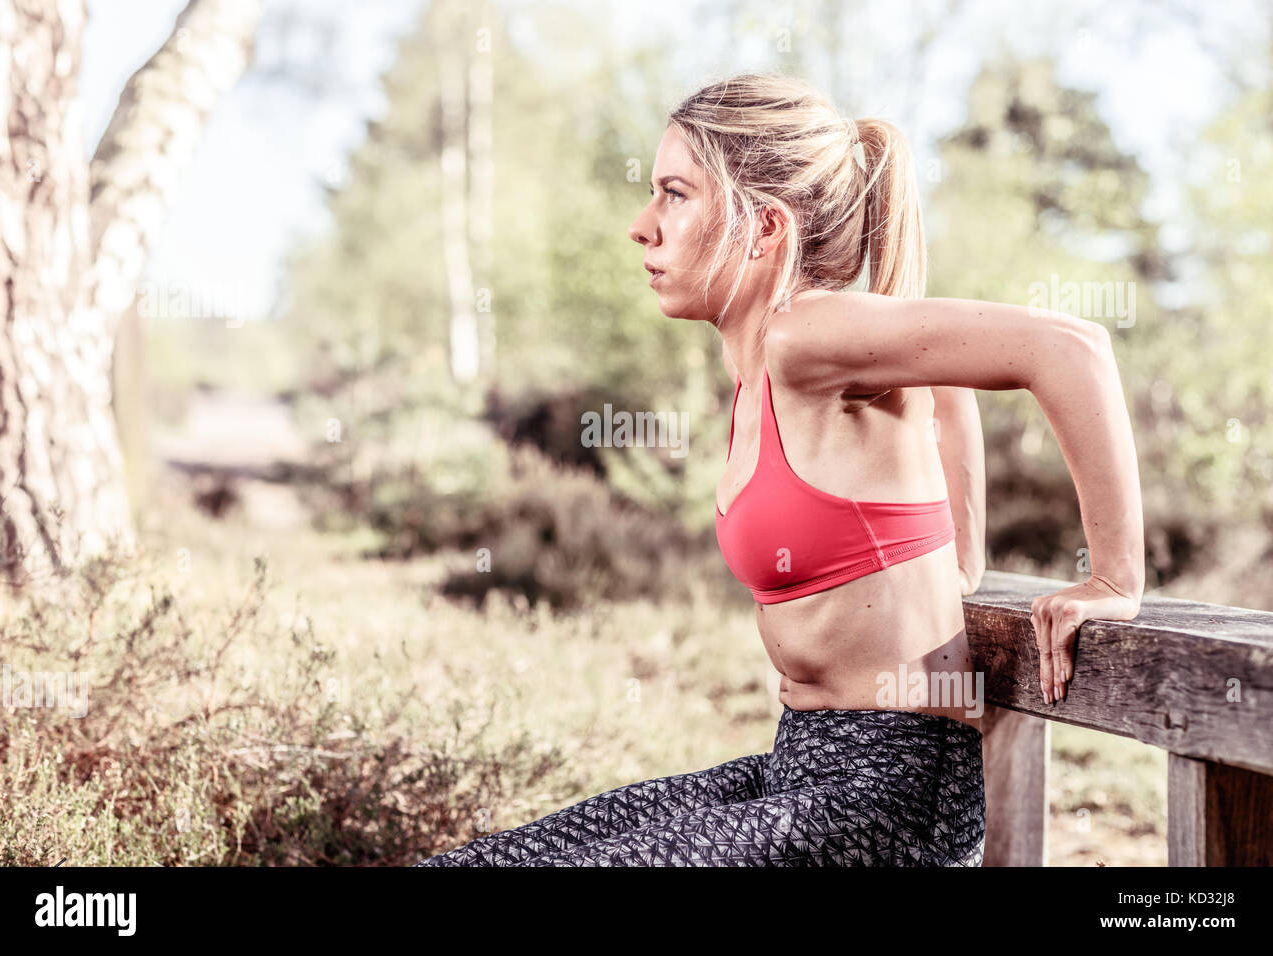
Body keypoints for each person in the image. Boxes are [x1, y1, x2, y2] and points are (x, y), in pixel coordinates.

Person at [414, 71, 1145, 867]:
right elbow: (943, 378)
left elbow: (1069, 349)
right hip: (803, 766)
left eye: (674, 194)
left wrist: (1112, 579)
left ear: (763, 228)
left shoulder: (808, 334)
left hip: (889, 799)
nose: (642, 225)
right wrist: (955, 552)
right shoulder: (763, 367)